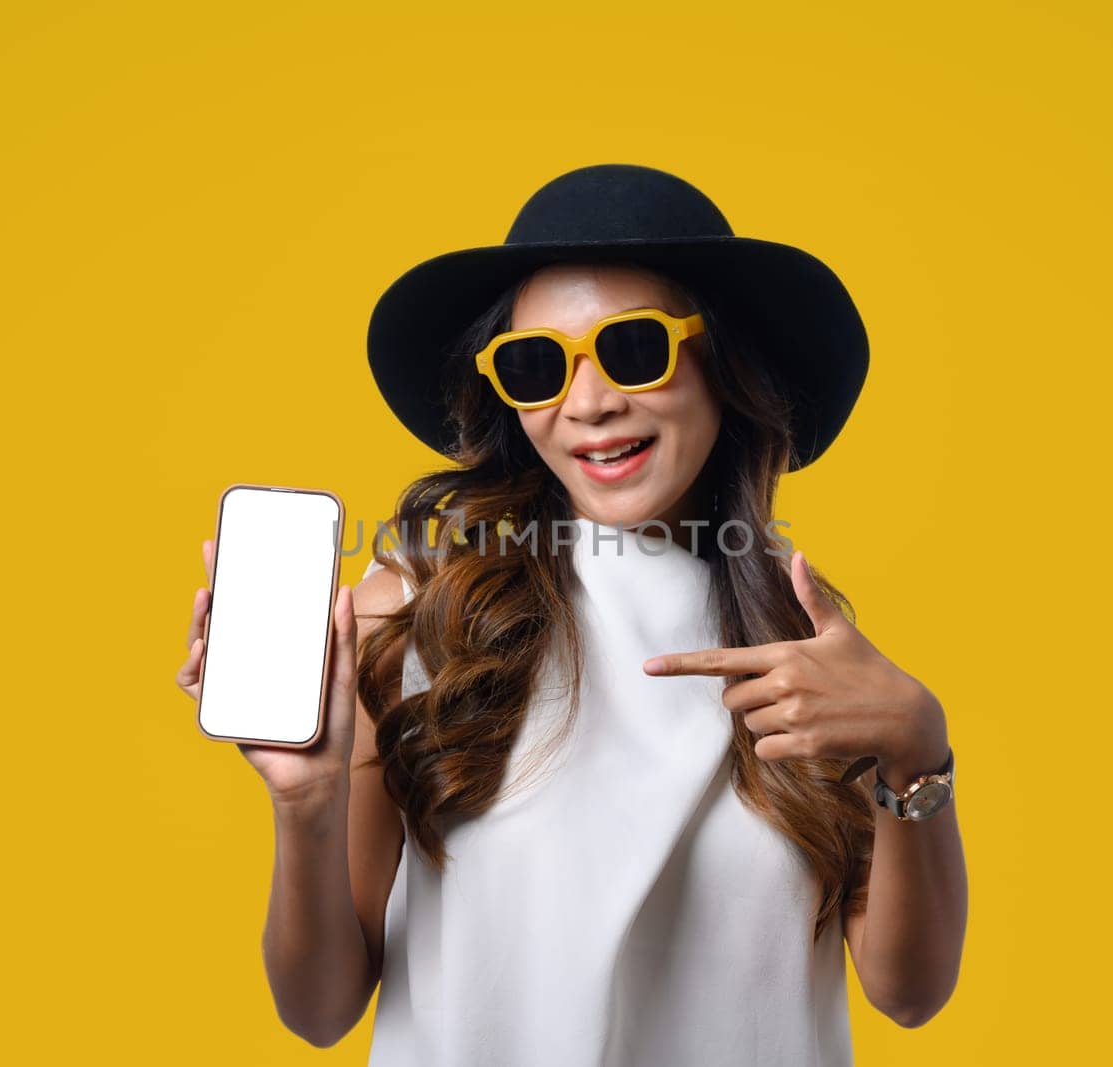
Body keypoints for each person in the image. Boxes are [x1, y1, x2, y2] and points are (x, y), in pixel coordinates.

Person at [176, 164, 967, 1064]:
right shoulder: (415, 618)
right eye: (536, 366)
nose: (587, 404)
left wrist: (917, 751)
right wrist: (307, 805)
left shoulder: (809, 652)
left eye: (634, 349)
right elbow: (319, 1010)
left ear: (725, 362)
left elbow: (910, 992)